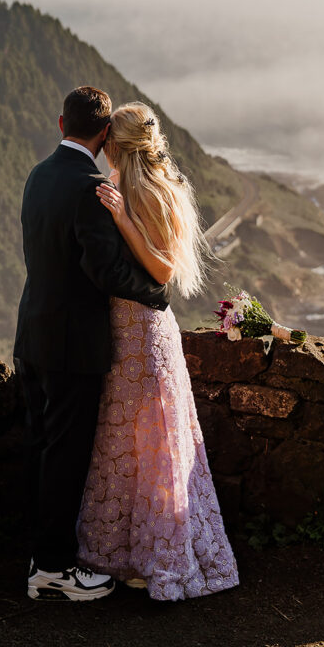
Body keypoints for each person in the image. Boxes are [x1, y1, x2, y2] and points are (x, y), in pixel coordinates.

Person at [76, 101, 240, 600]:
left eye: (105, 143)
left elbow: (164, 270)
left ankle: (158, 557)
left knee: (156, 442)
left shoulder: (152, 193)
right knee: (124, 439)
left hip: (145, 330)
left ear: (115, 146)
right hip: (123, 329)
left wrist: (124, 219)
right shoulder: (122, 186)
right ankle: (127, 553)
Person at [14, 86, 169, 602]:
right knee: (65, 454)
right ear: (105, 135)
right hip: (71, 345)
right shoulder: (89, 186)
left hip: (31, 334)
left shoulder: (38, 175)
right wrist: (157, 294)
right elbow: (104, 270)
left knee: (39, 447)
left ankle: (40, 557)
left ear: (61, 124)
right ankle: (55, 572)